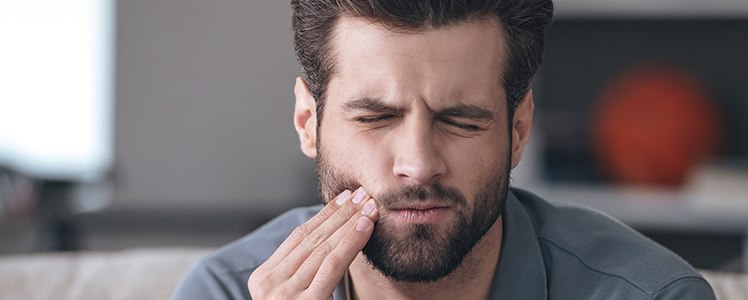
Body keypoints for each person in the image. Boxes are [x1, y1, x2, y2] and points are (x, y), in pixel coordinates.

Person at [172, 0, 716, 299]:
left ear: (519, 128)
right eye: (376, 117)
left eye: (460, 121)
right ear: (307, 122)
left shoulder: (650, 297)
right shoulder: (225, 292)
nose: (418, 163)